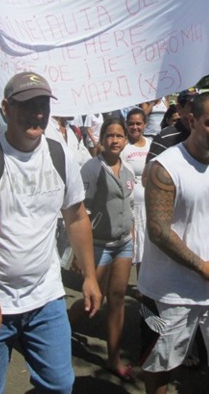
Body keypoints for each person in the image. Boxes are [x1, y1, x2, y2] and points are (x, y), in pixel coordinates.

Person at [0, 72, 102, 393]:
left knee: (60, 385)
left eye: (43, 104)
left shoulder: (59, 153)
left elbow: (76, 217)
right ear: (5, 108)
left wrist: (89, 275)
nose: (37, 113)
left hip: (45, 297)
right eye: (27, 104)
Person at [139, 92, 209, 394]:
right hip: (167, 291)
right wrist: (201, 267)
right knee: (159, 368)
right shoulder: (165, 167)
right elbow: (158, 230)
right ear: (191, 120)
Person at [69, 117, 136, 382]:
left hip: (123, 245)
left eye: (120, 136)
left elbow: (127, 205)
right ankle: (58, 331)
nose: (115, 140)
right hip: (98, 246)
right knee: (91, 302)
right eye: (110, 135)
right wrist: (78, 252)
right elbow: (80, 212)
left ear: (126, 139)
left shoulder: (128, 169)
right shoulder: (92, 169)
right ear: (102, 138)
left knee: (117, 299)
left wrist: (130, 234)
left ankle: (113, 358)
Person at [121, 108, 152, 271]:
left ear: (145, 125)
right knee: (132, 245)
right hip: (130, 206)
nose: (135, 127)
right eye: (131, 124)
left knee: (147, 245)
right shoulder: (122, 147)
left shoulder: (151, 145)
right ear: (126, 125)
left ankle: (144, 286)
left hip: (148, 205)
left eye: (138, 124)